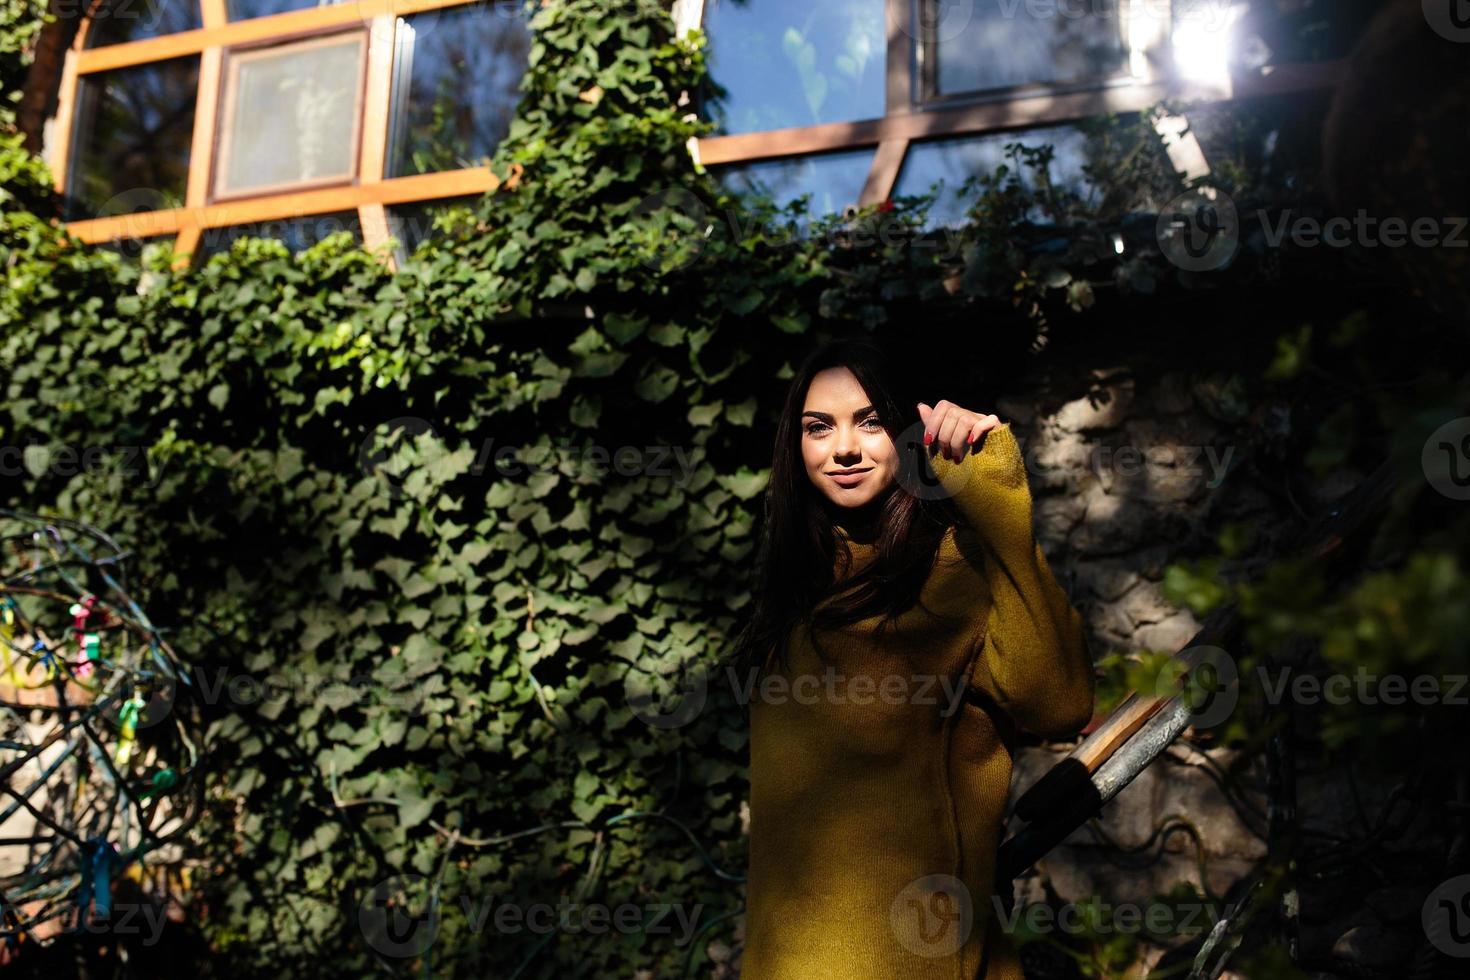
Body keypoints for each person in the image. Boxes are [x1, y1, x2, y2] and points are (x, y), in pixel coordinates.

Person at [728, 337, 1095, 977]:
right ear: (795, 447)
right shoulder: (798, 584)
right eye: (819, 427)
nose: (843, 448)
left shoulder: (954, 569)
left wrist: (994, 496)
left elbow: (1058, 705)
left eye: (869, 422)